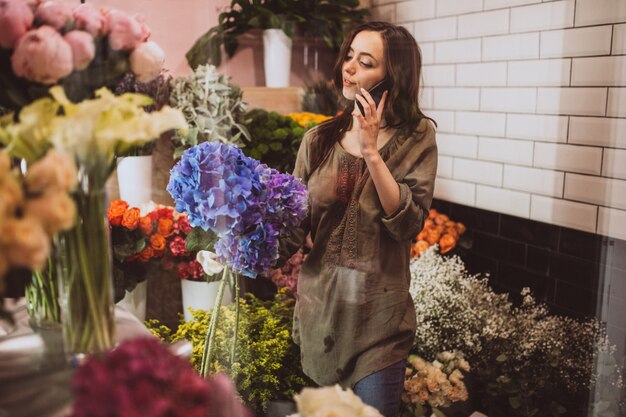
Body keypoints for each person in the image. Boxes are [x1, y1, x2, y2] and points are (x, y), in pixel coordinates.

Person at [279, 21, 438, 417]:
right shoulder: (317, 140)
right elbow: (294, 229)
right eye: (349, 56)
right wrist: (239, 233)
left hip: (379, 327)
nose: (349, 67)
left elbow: (408, 225)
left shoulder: (418, 137)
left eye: (365, 62)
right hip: (320, 319)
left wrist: (371, 151)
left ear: (392, 78)